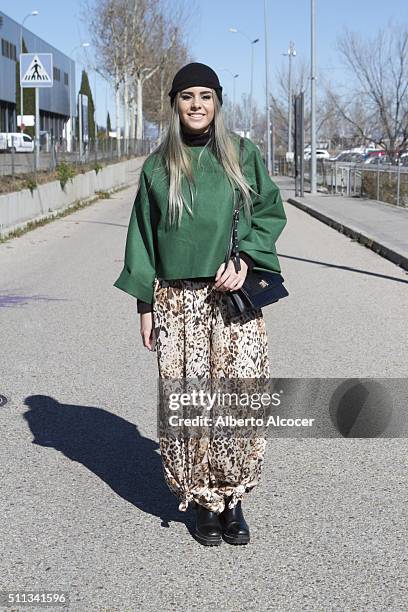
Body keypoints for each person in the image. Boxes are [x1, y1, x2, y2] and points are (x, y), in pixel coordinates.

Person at [114, 62, 287, 546]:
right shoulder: (156, 166)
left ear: (217, 103)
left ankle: (233, 499)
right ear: (174, 105)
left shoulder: (242, 155)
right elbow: (142, 239)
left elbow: (269, 210)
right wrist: (144, 306)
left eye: (205, 96)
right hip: (175, 301)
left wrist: (249, 261)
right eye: (187, 96)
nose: (196, 104)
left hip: (231, 295)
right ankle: (204, 501)